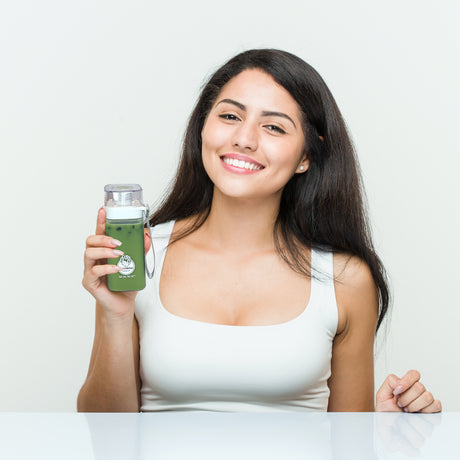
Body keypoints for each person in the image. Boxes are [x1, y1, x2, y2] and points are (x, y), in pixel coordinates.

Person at [78, 49, 441, 413]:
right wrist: (116, 314)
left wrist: (384, 432)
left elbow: (349, 446)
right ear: (203, 127)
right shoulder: (138, 255)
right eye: (230, 116)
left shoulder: (345, 280)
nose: (244, 138)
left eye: (274, 127)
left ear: (305, 157)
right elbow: (104, 432)